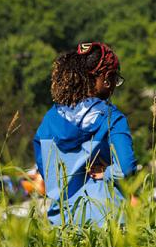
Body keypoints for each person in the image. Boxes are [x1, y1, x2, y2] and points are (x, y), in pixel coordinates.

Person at [33, 42, 137, 226]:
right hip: (109, 219)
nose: (114, 85)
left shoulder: (49, 119)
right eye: (114, 79)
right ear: (105, 78)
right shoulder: (113, 118)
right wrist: (106, 173)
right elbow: (126, 167)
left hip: (64, 221)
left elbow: (48, 174)